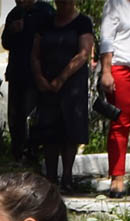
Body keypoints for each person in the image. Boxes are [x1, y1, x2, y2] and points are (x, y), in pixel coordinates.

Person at [32, 0, 94, 192]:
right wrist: (39, 77)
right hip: (48, 83)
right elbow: (35, 53)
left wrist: (62, 78)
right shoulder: (46, 22)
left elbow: (84, 53)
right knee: (49, 131)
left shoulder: (83, 22)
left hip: (72, 85)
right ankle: (50, 178)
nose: (63, 3)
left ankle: (67, 178)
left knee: (70, 131)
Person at [3, 0, 55, 164]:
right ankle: (17, 151)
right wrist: (12, 31)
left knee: (31, 114)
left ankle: (32, 152)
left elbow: (50, 39)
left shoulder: (45, 11)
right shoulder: (14, 13)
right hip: (16, 72)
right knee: (15, 115)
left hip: (36, 74)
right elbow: (5, 42)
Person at [100, 0, 130, 198]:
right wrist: (106, 71)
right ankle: (117, 178)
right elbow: (107, 39)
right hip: (120, 67)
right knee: (121, 122)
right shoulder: (115, 4)